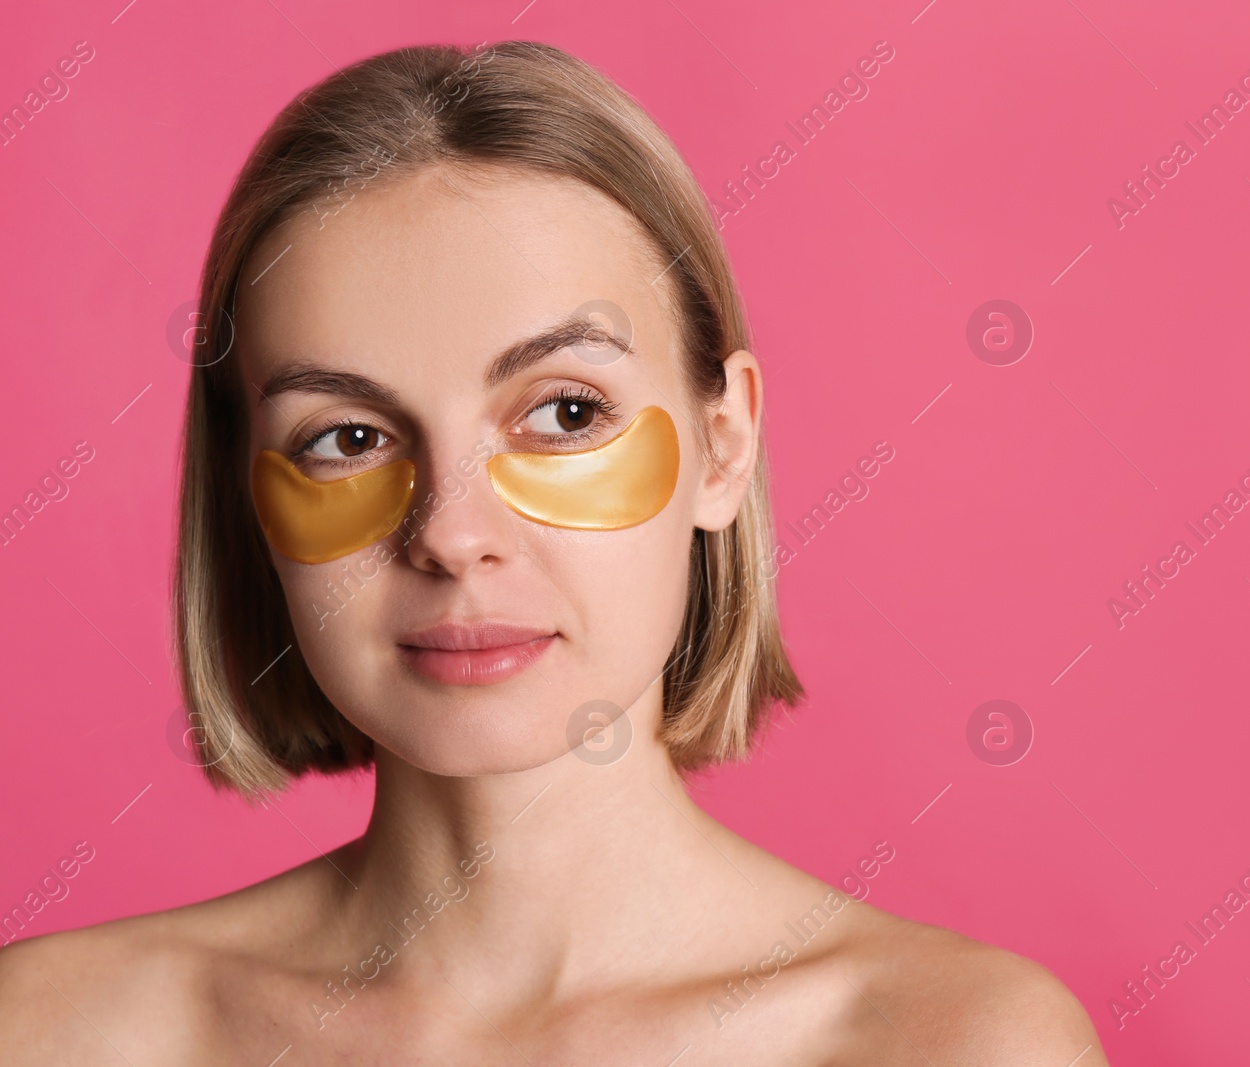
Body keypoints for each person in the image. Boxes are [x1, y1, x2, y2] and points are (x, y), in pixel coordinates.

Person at [0, 41, 1107, 1064]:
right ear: (247, 496)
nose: (452, 533)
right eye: (347, 438)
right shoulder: (57, 1030)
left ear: (722, 449)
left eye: (566, 414)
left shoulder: (951, 1042)